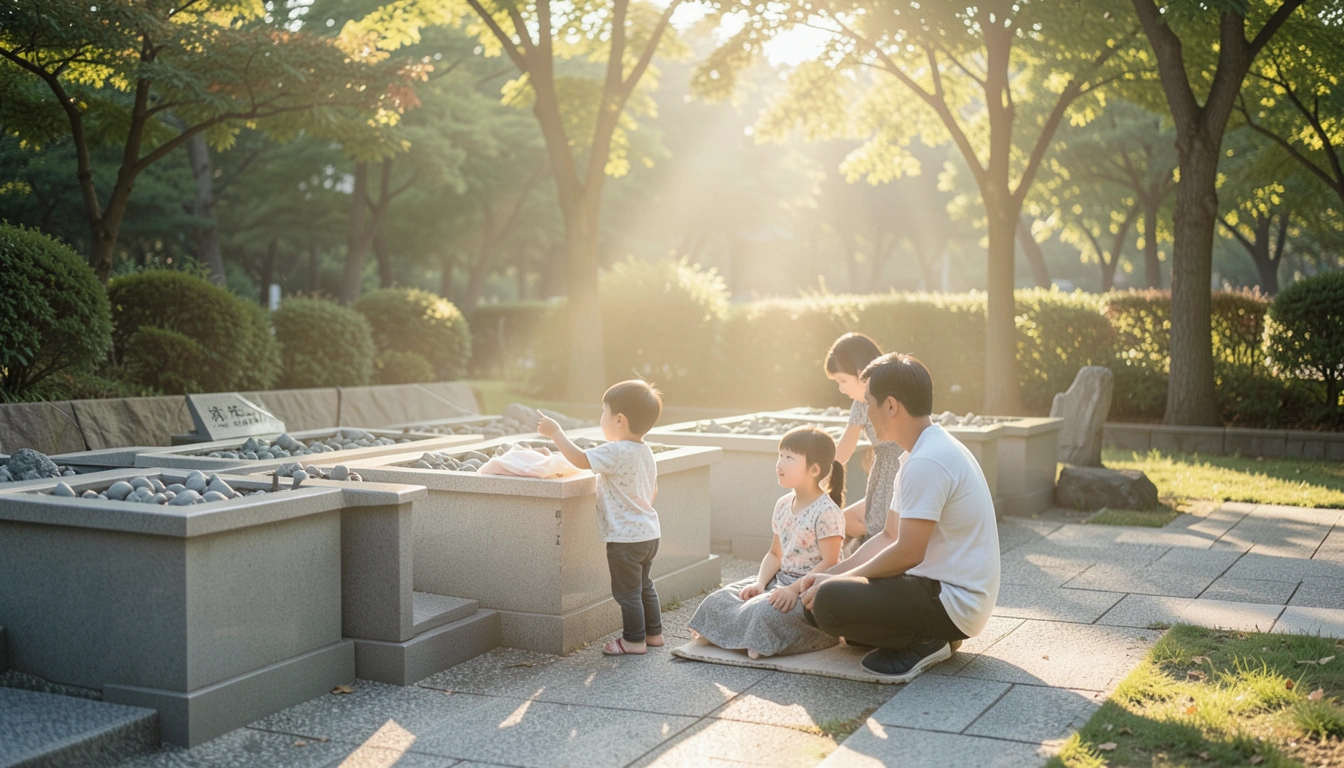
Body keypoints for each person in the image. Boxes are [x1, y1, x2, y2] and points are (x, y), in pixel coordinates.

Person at [799, 353, 1000, 682]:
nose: (865, 414)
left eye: (868, 403)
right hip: (931, 589)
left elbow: (908, 551)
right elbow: (889, 536)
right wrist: (832, 573)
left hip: (952, 602)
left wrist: (837, 583)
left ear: (890, 406)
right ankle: (918, 634)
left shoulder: (928, 461)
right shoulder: (916, 454)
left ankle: (926, 641)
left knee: (828, 601)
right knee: (814, 601)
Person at [687, 426, 846, 659]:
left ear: (814, 469)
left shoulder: (827, 512)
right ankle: (748, 637)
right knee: (719, 599)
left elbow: (831, 563)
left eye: (789, 458)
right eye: (780, 455)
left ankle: (811, 636)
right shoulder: (783, 504)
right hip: (779, 581)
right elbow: (774, 554)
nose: (779, 464)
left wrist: (793, 590)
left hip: (811, 590)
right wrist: (760, 584)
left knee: (763, 612)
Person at [539, 380, 665, 656]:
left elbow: (581, 459)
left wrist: (556, 433)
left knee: (627, 594)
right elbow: (651, 489)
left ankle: (633, 641)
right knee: (645, 587)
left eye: (603, 413)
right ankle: (654, 634)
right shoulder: (645, 451)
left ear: (619, 420)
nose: (601, 419)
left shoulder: (617, 451)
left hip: (625, 540)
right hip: (649, 533)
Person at [824, 332, 902, 541]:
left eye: (842, 380)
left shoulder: (892, 396)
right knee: (846, 520)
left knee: (887, 526)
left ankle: (885, 551)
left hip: (901, 468)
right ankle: (875, 547)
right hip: (882, 471)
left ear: (861, 374)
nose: (841, 389)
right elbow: (845, 448)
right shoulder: (860, 404)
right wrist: (821, 476)